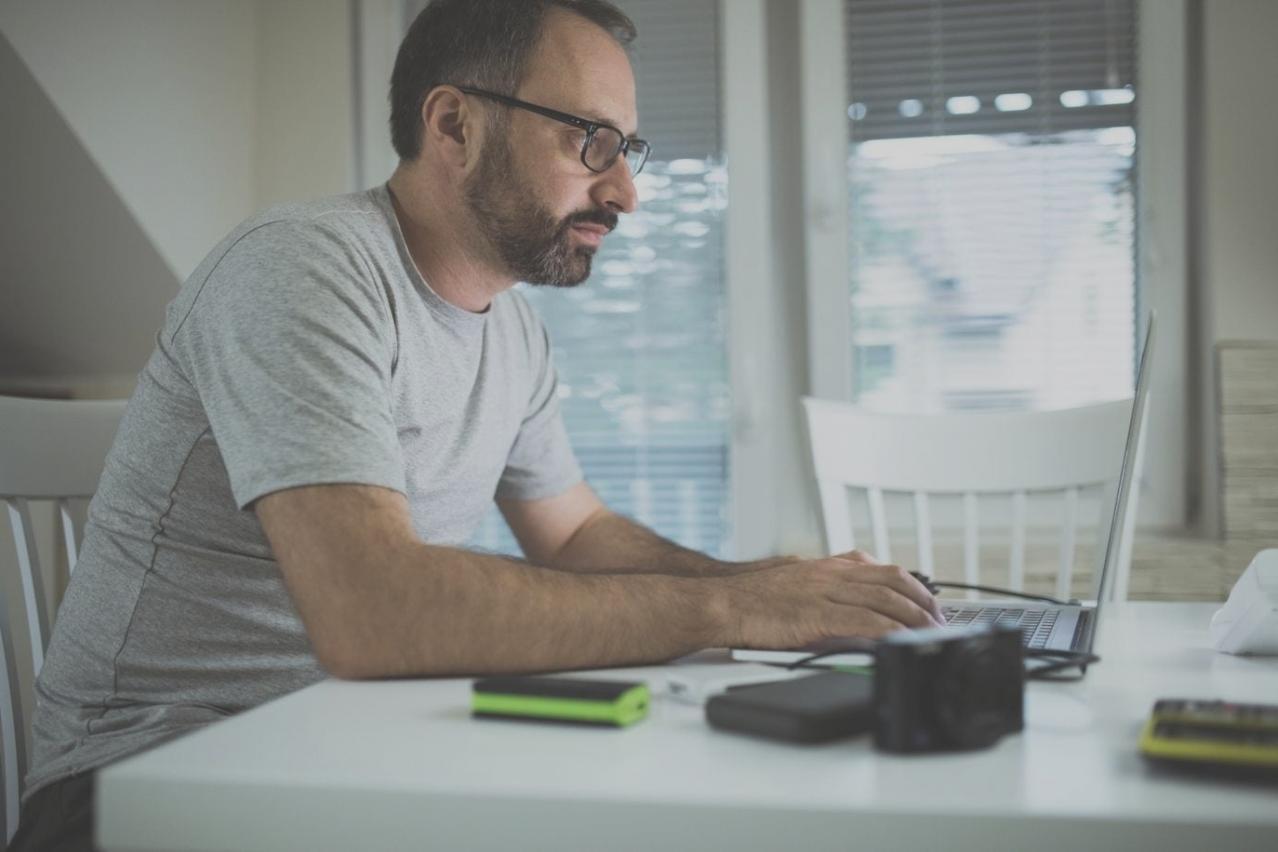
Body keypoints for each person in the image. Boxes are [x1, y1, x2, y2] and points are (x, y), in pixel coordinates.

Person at [10, 1, 943, 847]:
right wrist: (732, 609)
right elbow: (373, 613)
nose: (625, 193)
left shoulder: (514, 333)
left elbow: (574, 532)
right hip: (149, 784)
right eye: (591, 140)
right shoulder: (301, 270)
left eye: (628, 149)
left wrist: (773, 586)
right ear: (455, 123)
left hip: (359, 753)